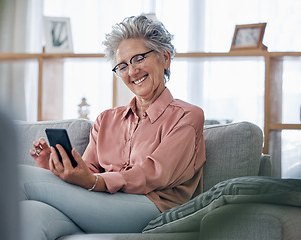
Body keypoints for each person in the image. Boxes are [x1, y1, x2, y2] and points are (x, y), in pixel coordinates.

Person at [19, 15, 206, 240]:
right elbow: (88, 172)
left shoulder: (187, 116)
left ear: (165, 58)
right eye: (123, 65)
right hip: (101, 206)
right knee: (29, 213)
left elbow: (154, 174)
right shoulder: (106, 119)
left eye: (138, 59)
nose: (132, 71)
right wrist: (55, 166)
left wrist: (95, 182)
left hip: (152, 208)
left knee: (18, 175)